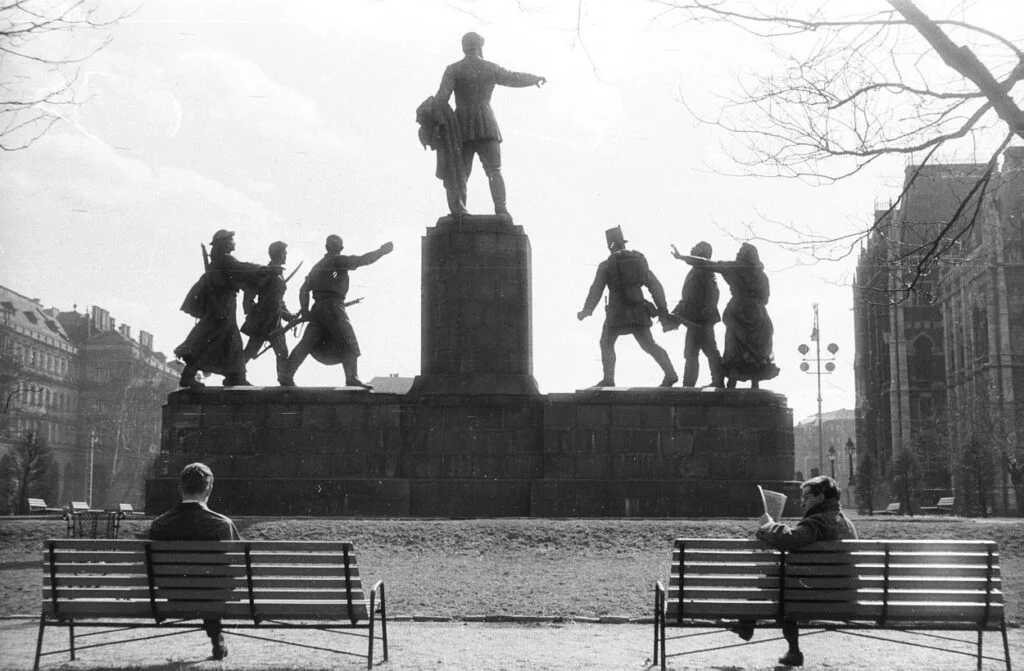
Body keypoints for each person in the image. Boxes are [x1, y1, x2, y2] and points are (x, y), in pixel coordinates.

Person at [732, 475, 858, 667]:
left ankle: (749, 623)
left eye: (806, 497)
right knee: (785, 577)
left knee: (781, 578)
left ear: (821, 497)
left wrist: (768, 525)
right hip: (845, 599)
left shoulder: (818, 522)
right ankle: (756, 628)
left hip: (814, 600)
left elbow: (788, 539)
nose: (802, 504)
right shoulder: (848, 524)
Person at [435, 31, 546, 218]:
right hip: (486, 123)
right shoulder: (489, 68)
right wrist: (534, 78)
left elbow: (441, 98)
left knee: (460, 173)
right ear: (479, 47)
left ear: (464, 47)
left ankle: (458, 211)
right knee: (494, 170)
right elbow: (512, 78)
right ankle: (501, 209)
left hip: (461, 126)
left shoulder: (454, 69)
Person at [149, 462, 241, 661]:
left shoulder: (159, 524)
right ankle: (217, 638)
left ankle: (217, 638)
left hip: (172, 596)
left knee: (201, 584)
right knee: (211, 585)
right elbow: (236, 567)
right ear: (209, 488)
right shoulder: (222, 524)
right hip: (213, 596)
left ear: (180, 488)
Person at [281, 235, 394, 388]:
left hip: (317, 309)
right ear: (339, 247)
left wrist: (306, 311)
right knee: (349, 341)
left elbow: (303, 290)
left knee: (306, 343)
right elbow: (362, 260)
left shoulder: (317, 266)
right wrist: (382, 251)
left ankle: (286, 375)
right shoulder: (338, 260)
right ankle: (351, 378)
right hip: (334, 308)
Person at [577, 226, 678, 387]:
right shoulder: (639, 260)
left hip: (617, 313)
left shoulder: (606, 264)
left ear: (610, 244)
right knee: (649, 345)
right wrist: (662, 309)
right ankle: (670, 374)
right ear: (622, 243)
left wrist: (586, 311)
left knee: (606, 342)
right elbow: (655, 285)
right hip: (638, 310)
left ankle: (608, 379)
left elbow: (596, 290)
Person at [672, 241, 779, 388]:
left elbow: (707, 264)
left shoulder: (734, 268)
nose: (737, 255)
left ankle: (730, 383)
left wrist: (682, 257)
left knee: (734, 348)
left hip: (738, 312)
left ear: (742, 256)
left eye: (739, 253)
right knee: (757, 349)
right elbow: (765, 298)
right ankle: (754, 385)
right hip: (758, 315)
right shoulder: (761, 276)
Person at [175, 230, 264, 388]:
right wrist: (263, 269)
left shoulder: (218, 261)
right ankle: (191, 376)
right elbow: (242, 268)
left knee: (228, 340)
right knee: (212, 339)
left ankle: (236, 376)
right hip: (223, 305)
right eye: (231, 240)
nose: (234, 243)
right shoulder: (225, 259)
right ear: (224, 243)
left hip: (223, 304)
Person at [665, 240, 723, 387]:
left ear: (702, 253)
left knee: (709, 350)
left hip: (702, 319)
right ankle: (689, 384)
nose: (692, 247)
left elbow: (713, 291)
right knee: (692, 353)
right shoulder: (696, 270)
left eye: (696, 247)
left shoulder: (705, 269)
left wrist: (707, 310)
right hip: (694, 320)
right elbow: (688, 298)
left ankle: (718, 381)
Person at [241, 241, 296, 385]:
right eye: (284, 252)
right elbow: (250, 291)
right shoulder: (267, 272)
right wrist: (250, 310)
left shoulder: (278, 273)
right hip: (263, 320)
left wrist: (288, 315)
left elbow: (278, 301)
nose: (286, 255)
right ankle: (235, 375)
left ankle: (284, 379)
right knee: (251, 350)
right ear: (278, 253)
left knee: (282, 352)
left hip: (275, 320)